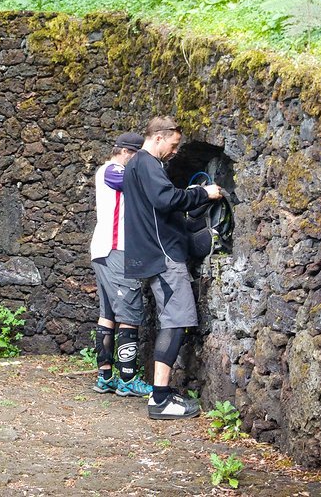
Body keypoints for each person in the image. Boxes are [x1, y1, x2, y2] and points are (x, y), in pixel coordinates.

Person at [122, 116, 223, 420]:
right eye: (174, 144)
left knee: (172, 319)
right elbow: (165, 199)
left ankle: (161, 394)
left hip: (151, 252)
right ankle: (160, 399)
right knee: (175, 322)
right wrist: (203, 194)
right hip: (163, 255)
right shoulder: (148, 164)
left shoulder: (136, 167)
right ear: (158, 138)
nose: (176, 151)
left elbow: (157, 207)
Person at [89, 132, 154, 397]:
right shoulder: (113, 169)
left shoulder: (108, 169)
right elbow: (135, 183)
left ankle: (105, 376)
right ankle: (127, 379)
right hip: (117, 250)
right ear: (127, 152)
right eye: (139, 156)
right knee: (129, 314)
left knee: (108, 315)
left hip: (104, 250)